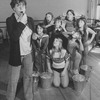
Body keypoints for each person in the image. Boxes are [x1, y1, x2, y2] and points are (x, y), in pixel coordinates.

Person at [6, 0, 34, 100]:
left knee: (28, 77)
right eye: (18, 5)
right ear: (13, 8)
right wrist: (22, 23)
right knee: (13, 79)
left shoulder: (30, 20)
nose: (21, 7)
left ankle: (29, 97)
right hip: (16, 54)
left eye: (23, 5)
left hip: (28, 53)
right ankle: (10, 98)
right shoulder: (10, 20)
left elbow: (31, 36)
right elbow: (13, 37)